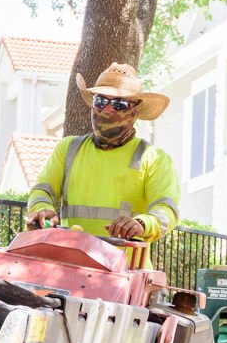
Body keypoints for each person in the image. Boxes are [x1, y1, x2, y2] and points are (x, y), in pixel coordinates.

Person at [26, 63, 179, 244]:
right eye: (100, 101)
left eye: (119, 104)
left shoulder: (155, 159)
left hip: (125, 268)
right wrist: (42, 209)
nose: (107, 109)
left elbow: (167, 210)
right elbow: (42, 190)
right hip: (72, 263)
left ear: (134, 112)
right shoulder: (68, 149)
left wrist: (142, 224)